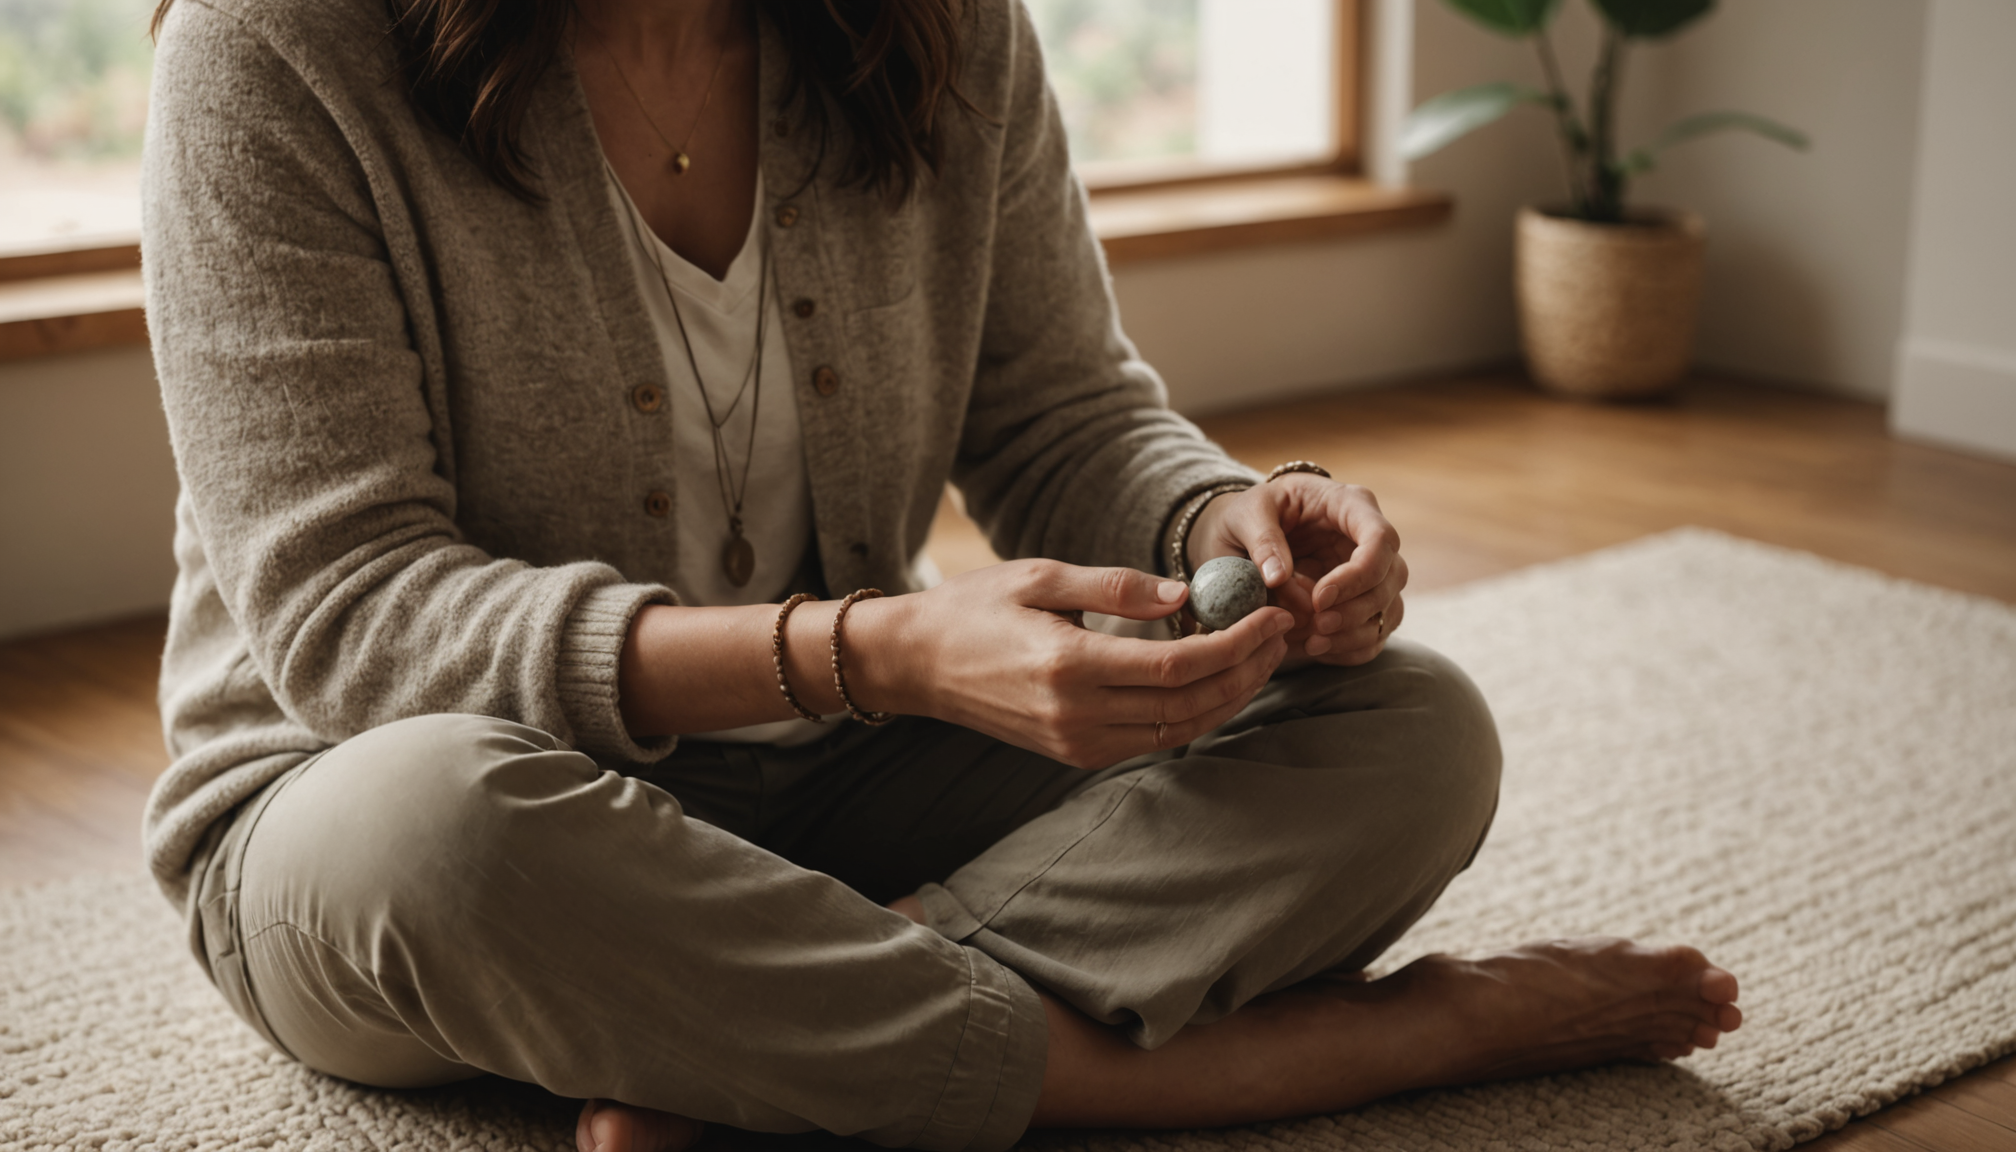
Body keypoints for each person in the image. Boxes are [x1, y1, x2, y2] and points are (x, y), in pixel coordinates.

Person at [139, 0, 1743, 1150]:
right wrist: (876, 651)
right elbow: (354, 618)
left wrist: (1233, 527)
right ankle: (1269, 1065)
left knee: (1409, 729)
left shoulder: (944, 29)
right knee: (439, 832)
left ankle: (756, 1060)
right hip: (364, 810)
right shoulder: (266, 51)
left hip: (837, 797)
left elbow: (1059, 414)